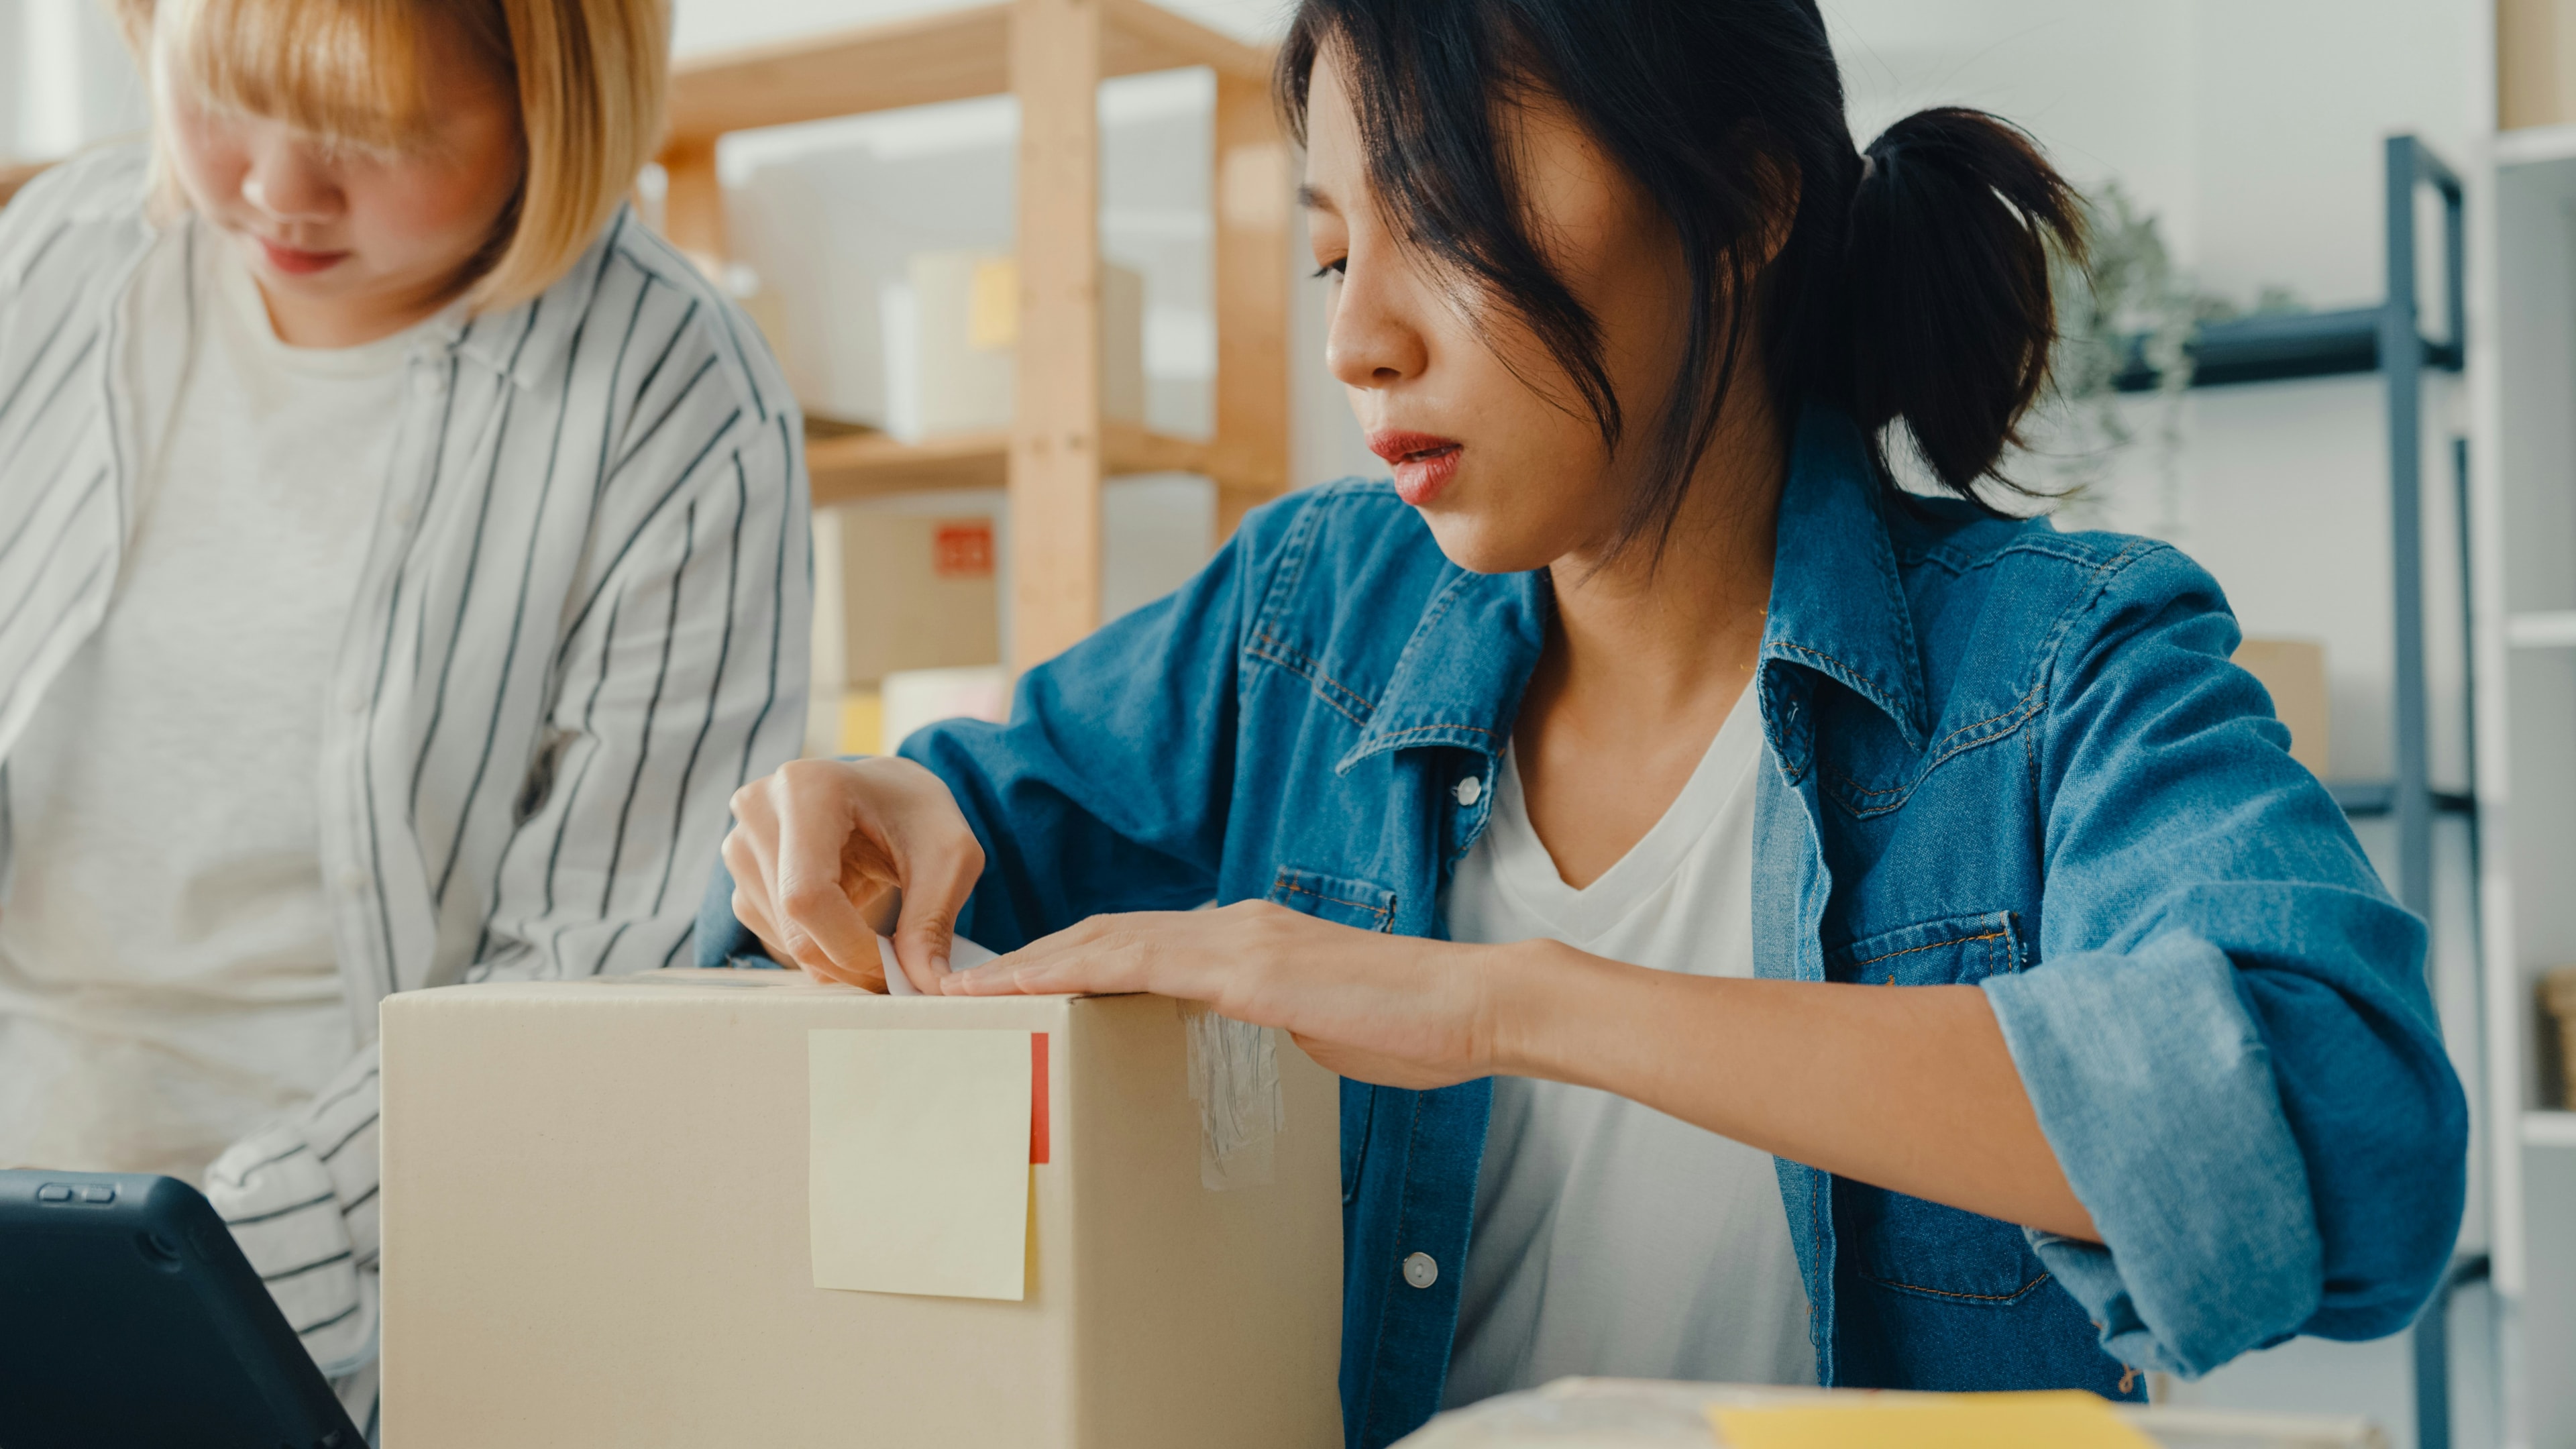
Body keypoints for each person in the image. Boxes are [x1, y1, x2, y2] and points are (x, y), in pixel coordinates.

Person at [706, 1, 2466, 1444]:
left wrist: (1494, 1004)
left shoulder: (2062, 666)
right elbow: (941, 858)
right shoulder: (1307, 616)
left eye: (1447, 218)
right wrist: (866, 820)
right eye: (1334, 256)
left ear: (1748, 195)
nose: (1362, 343)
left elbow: (2347, 1141)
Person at [0, 0, 808, 1430]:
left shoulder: (677, 401)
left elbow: (588, 981)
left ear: (557, 104)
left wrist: (180, 1273)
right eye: (224, 99)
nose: (275, 190)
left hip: (369, 1283)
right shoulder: (61, 255)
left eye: (377, 136)